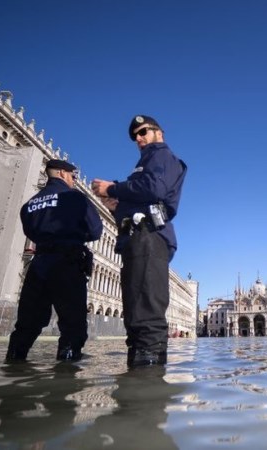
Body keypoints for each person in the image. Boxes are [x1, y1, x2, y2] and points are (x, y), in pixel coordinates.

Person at [91, 114, 186, 367]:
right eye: (136, 137)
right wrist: (115, 205)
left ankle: (147, 386)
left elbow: (154, 188)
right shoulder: (144, 163)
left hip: (149, 238)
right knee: (134, 315)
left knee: (145, 312)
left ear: (159, 133)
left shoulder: (161, 155)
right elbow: (144, 196)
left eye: (143, 132)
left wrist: (112, 188)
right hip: (136, 239)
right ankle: (135, 381)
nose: (139, 139)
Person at [6, 159, 102, 362]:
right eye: (73, 176)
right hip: (67, 263)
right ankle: (66, 374)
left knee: (27, 323)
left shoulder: (29, 205)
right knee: (72, 325)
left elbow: (29, 231)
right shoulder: (75, 198)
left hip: (38, 265)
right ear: (61, 173)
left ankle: (14, 362)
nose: (75, 181)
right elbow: (95, 231)